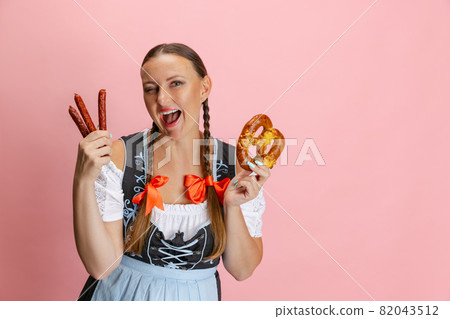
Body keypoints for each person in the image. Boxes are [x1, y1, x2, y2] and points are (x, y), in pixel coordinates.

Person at [73, 43, 270, 301]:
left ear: (204, 88)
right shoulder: (119, 157)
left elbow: (242, 270)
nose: (162, 99)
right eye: (150, 89)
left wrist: (231, 207)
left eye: (176, 83)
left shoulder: (236, 166)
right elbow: (102, 267)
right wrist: (82, 180)